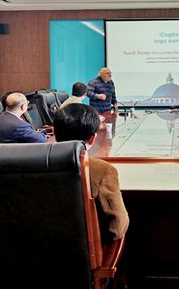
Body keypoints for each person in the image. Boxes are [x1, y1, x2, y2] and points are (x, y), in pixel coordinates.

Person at [53, 103, 128, 242]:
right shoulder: (102, 170)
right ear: (93, 138)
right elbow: (116, 229)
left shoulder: (30, 163)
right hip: (84, 251)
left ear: (54, 132)